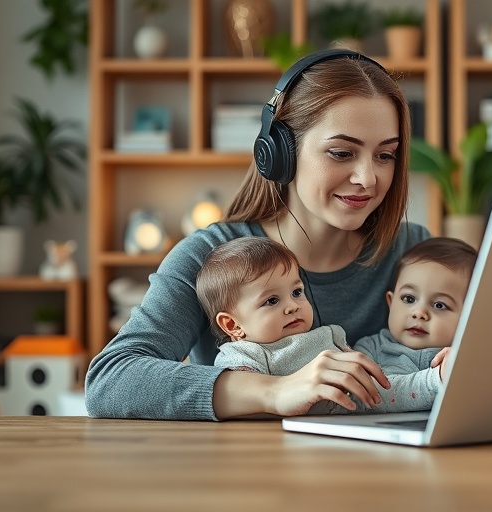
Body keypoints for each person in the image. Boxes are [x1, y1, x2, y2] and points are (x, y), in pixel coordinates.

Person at [85, 49, 431, 420]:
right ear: (281, 152)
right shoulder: (209, 254)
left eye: (385, 156)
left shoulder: (413, 250)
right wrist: (275, 391)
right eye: (342, 152)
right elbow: (111, 379)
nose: (367, 178)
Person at [197, 236, 441, 414]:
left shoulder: (329, 336)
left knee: (380, 390)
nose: (292, 305)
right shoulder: (245, 355)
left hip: (350, 422)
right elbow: (244, 405)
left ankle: (438, 381)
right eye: (271, 300)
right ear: (232, 324)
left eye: (296, 291)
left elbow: (372, 386)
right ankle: (434, 382)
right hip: (283, 444)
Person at [355, 237, 478, 382]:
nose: (419, 313)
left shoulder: (465, 358)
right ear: (391, 302)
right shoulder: (369, 349)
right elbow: (374, 393)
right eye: (409, 299)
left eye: (439, 305)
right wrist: (436, 379)